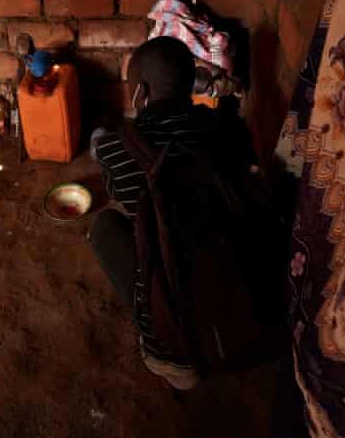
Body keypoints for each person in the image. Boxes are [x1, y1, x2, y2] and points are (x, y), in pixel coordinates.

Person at [87, 36, 260, 390]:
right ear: (191, 84)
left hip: (174, 338)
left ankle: (165, 345)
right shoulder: (228, 129)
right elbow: (242, 160)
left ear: (141, 93)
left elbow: (121, 193)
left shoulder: (115, 147)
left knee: (105, 226)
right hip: (239, 307)